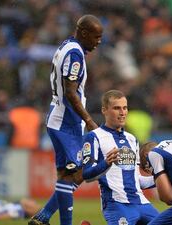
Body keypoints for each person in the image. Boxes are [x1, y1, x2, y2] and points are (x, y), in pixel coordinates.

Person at [29, 14, 103, 225]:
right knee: (74, 173)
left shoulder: (66, 46)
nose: (98, 42)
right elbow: (71, 92)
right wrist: (88, 120)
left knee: (71, 173)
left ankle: (43, 217)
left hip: (62, 120)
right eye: (96, 37)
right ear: (84, 33)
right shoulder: (75, 54)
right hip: (66, 122)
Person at [82, 90, 159, 225]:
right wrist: (106, 163)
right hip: (116, 204)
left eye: (125, 108)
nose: (122, 112)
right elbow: (87, 175)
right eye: (117, 108)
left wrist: (162, 176)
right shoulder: (93, 137)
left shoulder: (132, 139)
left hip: (141, 202)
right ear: (104, 110)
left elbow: (137, 180)